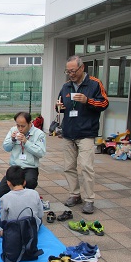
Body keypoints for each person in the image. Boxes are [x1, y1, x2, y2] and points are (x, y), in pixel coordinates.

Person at [56, 55, 109, 214]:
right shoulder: (66, 86)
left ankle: (89, 199)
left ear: (82, 67)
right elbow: (61, 106)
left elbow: (104, 103)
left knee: (86, 167)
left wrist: (88, 100)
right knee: (69, 167)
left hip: (86, 133)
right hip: (68, 132)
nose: (70, 74)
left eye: (73, 71)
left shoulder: (94, 84)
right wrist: (58, 107)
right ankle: (74, 194)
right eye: (68, 71)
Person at [0, 111, 46, 198]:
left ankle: (26, 197)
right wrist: (12, 140)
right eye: (18, 125)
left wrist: (26, 142)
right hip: (15, 167)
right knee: (0, 192)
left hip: (30, 167)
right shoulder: (13, 130)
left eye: (23, 126)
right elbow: (6, 148)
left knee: (30, 182)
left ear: (30, 123)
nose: (20, 128)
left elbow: (41, 153)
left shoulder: (39, 134)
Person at [0, 165, 43, 237]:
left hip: (14, 231)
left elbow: (4, 220)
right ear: (24, 182)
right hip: (32, 229)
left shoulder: (5, 198)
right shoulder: (34, 193)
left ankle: (1, 232)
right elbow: (40, 214)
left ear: (8, 183)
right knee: (39, 219)